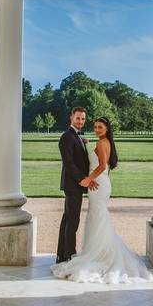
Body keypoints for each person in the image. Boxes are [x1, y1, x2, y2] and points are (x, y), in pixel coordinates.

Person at [52, 116, 153, 283]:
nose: (97, 130)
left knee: (97, 217)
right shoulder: (103, 141)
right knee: (95, 217)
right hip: (100, 182)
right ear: (71, 118)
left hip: (97, 183)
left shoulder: (101, 143)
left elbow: (101, 166)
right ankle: (93, 252)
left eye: (100, 127)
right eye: (95, 127)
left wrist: (88, 179)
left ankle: (97, 253)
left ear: (106, 129)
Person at [55, 107, 96, 263]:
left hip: (75, 184)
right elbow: (69, 163)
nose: (80, 121)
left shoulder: (77, 136)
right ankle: (70, 254)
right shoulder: (66, 137)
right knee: (73, 220)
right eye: (78, 118)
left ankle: (62, 254)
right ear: (71, 117)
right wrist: (82, 179)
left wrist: (84, 143)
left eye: (83, 119)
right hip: (72, 184)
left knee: (68, 219)